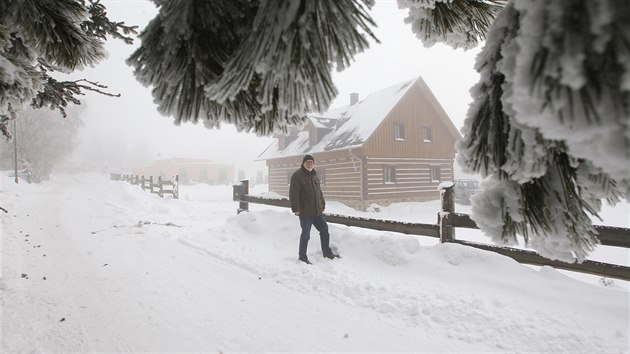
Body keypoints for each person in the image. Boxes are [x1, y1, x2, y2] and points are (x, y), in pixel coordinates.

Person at [289, 154, 340, 264]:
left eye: (312, 162)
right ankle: (302, 257)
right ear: (303, 163)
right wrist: (295, 209)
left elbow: (319, 192)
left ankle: (327, 253)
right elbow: (293, 193)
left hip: (317, 212)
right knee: (306, 235)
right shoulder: (297, 175)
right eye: (308, 162)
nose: (310, 163)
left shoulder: (315, 175)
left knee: (324, 230)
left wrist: (322, 203)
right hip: (305, 212)